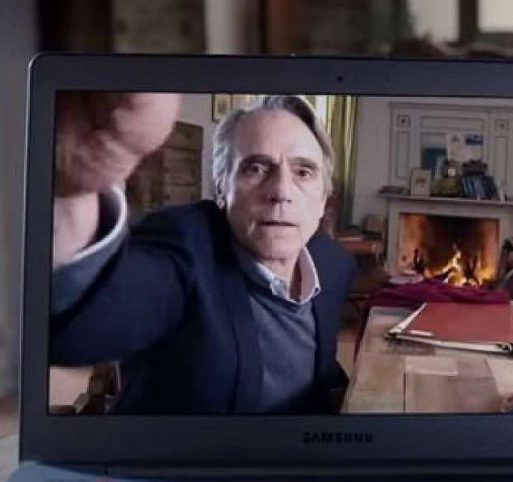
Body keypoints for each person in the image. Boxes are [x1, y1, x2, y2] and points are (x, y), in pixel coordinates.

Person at [50, 93, 356, 414]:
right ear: (221, 188)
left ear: (323, 200)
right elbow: (78, 329)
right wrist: (75, 187)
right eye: (255, 168)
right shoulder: (185, 245)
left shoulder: (333, 264)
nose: (281, 191)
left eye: (304, 172)